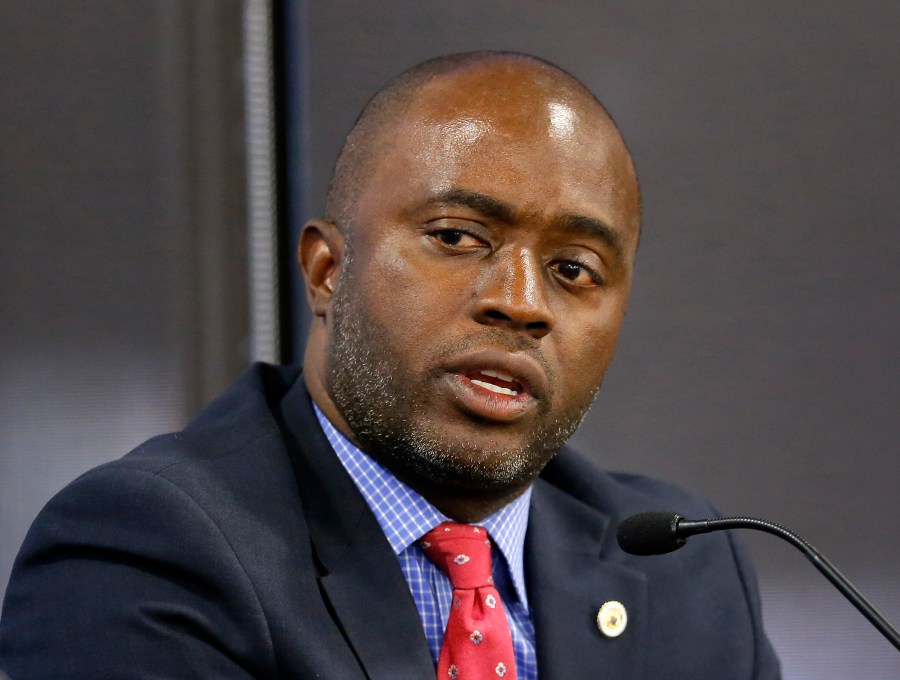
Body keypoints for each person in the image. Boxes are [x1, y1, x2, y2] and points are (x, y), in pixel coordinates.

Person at [0, 51, 781, 679]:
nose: (521, 302)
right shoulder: (153, 548)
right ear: (327, 271)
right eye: (457, 236)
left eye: (573, 269)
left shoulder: (686, 574)